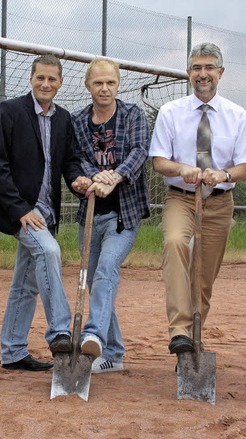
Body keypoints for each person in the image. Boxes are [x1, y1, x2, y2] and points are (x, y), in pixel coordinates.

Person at [0, 54, 91, 371]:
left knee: (25, 284)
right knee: (48, 251)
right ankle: (60, 331)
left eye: (52, 79)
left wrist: (77, 181)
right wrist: (20, 209)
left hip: (48, 213)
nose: (46, 84)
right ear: (31, 79)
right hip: (20, 211)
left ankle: (13, 351)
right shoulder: (10, 111)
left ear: (60, 83)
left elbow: (69, 162)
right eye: (40, 78)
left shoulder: (63, 119)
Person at [149, 42, 246, 357]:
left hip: (219, 204)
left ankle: (194, 338)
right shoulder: (171, 112)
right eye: (196, 68)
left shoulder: (237, 115)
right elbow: (158, 161)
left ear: (220, 72)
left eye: (209, 68)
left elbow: (245, 166)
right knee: (175, 243)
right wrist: (182, 168)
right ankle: (180, 331)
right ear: (188, 73)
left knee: (203, 279)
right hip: (181, 198)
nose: (203, 73)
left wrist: (221, 175)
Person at [71, 58, 150, 373]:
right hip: (90, 214)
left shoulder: (133, 115)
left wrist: (115, 177)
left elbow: (140, 151)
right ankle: (114, 355)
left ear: (118, 84)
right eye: (98, 83)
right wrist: (94, 179)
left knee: (105, 270)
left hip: (123, 216)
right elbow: (76, 157)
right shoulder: (77, 121)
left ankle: (93, 335)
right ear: (88, 85)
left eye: (110, 83)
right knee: (95, 281)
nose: (104, 89)